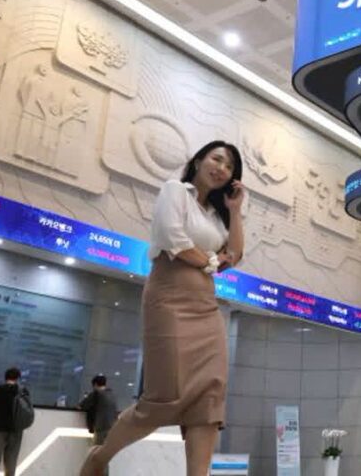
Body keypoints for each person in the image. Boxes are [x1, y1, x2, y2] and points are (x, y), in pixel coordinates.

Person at [80, 141, 245, 476]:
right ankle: (100, 456)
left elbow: (235, 255)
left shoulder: (217, 216)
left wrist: (235, 210)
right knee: (164, 395)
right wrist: (212, 261)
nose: (222, 169)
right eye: (216, 159)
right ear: (198, 161)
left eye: (229, 166)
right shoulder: (175, 190)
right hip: (169, 298)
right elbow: (173, 239)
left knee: (209, 397)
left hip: (206, 306)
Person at [0, 367, 28, 476]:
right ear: (18, 378)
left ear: (5, 377)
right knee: (11, 462)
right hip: (16, 430)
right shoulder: (23, 392)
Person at [79, 374, 119, 473]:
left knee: (98, 455)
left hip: (101, 428)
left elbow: (82, 405)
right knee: (104, 456)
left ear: (95, 385)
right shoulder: (112, 395)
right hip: (113, 429)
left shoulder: (96, 394)